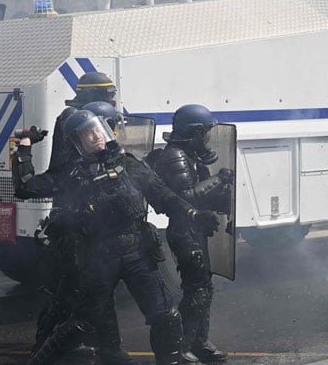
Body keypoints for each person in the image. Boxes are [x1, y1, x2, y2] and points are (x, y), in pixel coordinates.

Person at [13, 110, 219, 365]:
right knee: (91, 324)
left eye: (97, 129)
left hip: (136, 250)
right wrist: (23, 145)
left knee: (166, 316)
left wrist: (193, 214)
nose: (96, 136)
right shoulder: (69, 174)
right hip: (96, 257)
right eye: (88, 133)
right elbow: (25, 187)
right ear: (77, 142)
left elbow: (163, 195)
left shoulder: (128, 164)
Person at [31, 72, 132, 365]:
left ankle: (107, 348)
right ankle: (42, 349)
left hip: (85, 213)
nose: (112, 100)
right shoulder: (74, 119)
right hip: (73, 214)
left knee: (95, 286)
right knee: (67, 290)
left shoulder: (77, 116)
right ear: (91, 95)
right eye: (108, 95)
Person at [152, 104, 233, 363]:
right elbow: (185, 197)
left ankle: (199, 342)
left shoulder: (190, 155)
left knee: (204, 289)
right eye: (205, 132)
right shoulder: (175, 156)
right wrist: (219, 179)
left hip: (197, 230)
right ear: (195, 132)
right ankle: (182, 347)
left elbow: (202, 193)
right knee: (196, 291)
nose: (208, 138)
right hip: (184, 230)